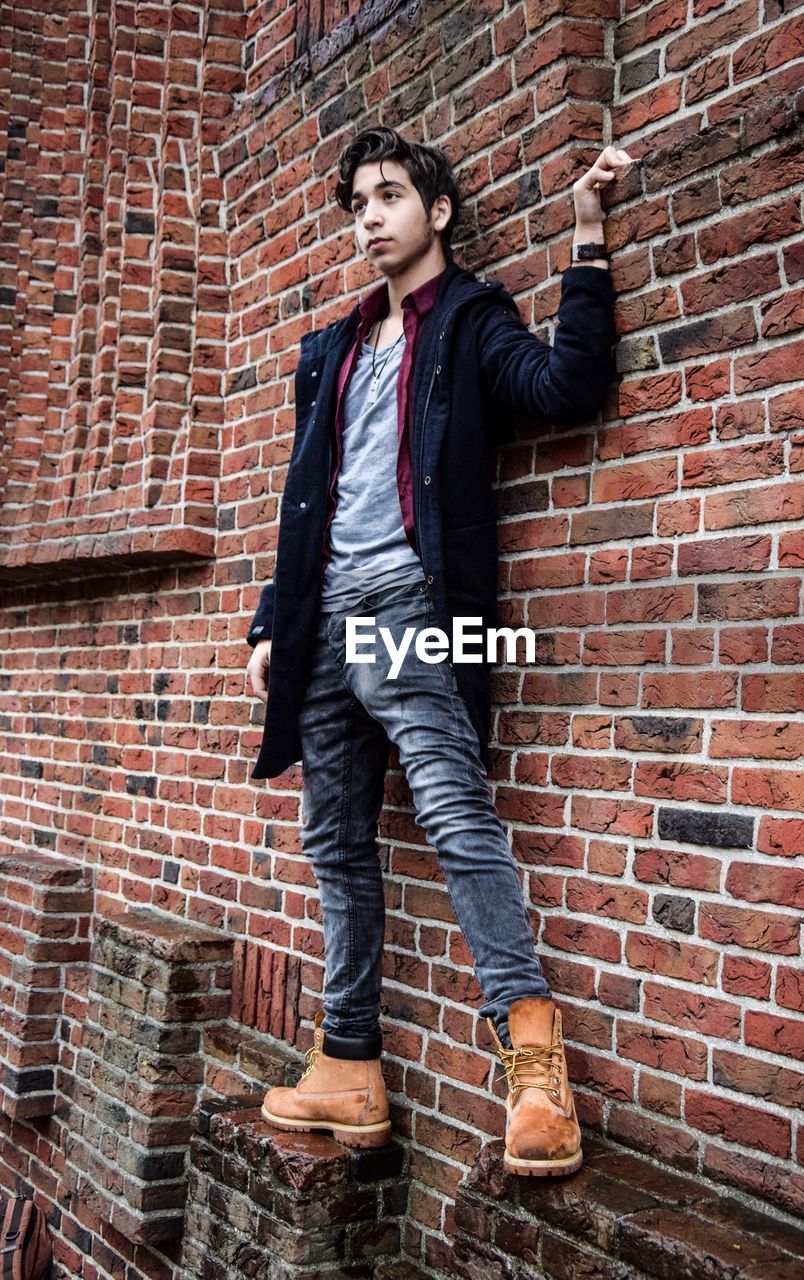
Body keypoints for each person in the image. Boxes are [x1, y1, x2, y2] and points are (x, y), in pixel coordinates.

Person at [246, 126, 633, 1176]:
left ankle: (533, 1057)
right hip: (322, 619)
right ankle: (347, 1061)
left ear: (438, 211)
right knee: (334, 839)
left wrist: (588, 242)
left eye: (388, 196)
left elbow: (564, 389)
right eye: (356, 203)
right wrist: (272, 622)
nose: (368, 215)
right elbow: (305, 501)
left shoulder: (468, 318)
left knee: (456, 813)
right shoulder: (329, 347)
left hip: (408, 604)